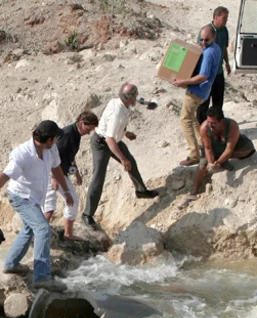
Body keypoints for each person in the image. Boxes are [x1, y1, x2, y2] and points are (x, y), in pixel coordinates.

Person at [0, 120, 73, 292]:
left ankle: (10, 264)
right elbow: (5, 175)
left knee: (29, 229)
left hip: (35, 197)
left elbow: (56, 169)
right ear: (49, 139)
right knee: (42, 228)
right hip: (20, 197)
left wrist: (66, 191)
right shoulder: (22, 153)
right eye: (55, 137)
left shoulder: (51, 149)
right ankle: (41, 278)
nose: (56, 140)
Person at [82, 84, 159, 230]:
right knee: (98, 177)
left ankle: (141, 190)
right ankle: (87, 215)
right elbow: (109, 138)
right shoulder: (117, 112)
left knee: (132, 162)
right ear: (129, 97)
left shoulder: (119, 104)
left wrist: (125, 133)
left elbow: (112, 128)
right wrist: (122, 159)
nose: (136, 98)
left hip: (113, 140)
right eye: (135, 96)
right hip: (102, 143)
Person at [43, 111, 99, 240]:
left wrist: (76, 172)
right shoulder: (67, 134)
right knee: (69, 202)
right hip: (53, 174)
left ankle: (41, 233)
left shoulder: (75, 134)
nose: (88, 133)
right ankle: (65, 235)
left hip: (58, 173)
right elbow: (52, 155)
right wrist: (54, 177)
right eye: (88, 129)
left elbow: (70, 155)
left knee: (50, 206)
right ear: (82, 123)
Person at [173, 25, 222, 166]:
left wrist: (184, 81)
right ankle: (202, 142)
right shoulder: (215, 48)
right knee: (192, 117)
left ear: (214, 37)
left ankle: (194, 154)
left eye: (206, 40)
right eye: (202, 39)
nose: (203, 42)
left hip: (196, 91)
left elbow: (203, 76)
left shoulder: (209, 53)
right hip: (204, 92)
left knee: (185, 120)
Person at [191, 106, 256, 197]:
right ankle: (194, 190)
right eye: (208, 122)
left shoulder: (232, 126)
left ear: (221, 121)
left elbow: (229, 149)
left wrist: (219, 162)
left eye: (213, 123)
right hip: (213, 148)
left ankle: (223, 160)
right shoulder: (204, 128)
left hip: (227, 146)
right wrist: (211, 163)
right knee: (202, 165)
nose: (210, 125)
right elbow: (208, 148)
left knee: (248, 148)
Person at [196, 6, 232, 124]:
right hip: (207, 73)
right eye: (224, 18)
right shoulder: (207, 31)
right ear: (216, 17)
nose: (226, 20)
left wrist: (227, 63)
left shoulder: (224, 31)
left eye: (226, 18)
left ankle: (217, 125)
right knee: (203, 103)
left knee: (218, 102)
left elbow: (224, 48)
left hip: (219, 72)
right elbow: (199, 48)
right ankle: (201, 126)